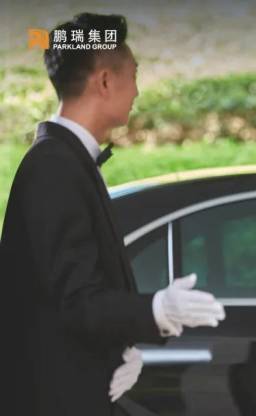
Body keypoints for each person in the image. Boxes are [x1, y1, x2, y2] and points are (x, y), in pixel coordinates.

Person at [1, 13, 226, 415]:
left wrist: (118, 351)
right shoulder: (53, 167)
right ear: (105, 81)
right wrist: (157, 309)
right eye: (133, 74)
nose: (137, 90)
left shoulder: (65, 160)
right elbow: (76, 301)